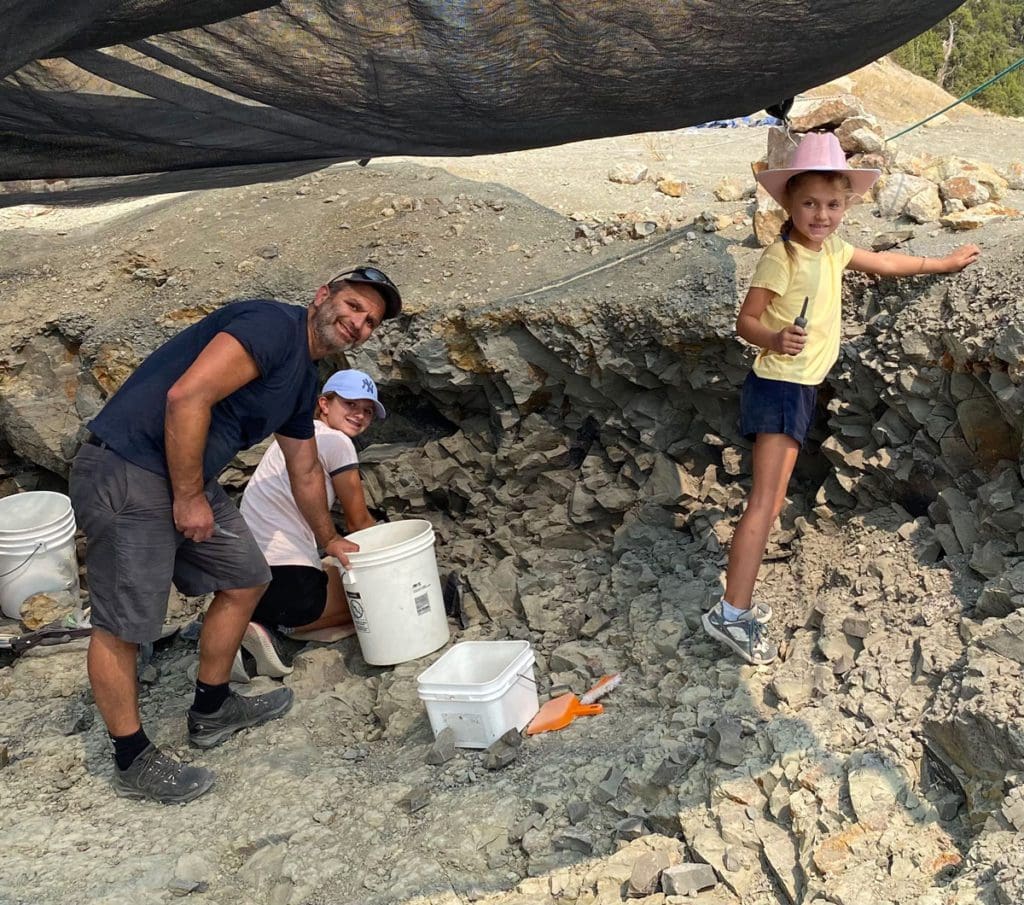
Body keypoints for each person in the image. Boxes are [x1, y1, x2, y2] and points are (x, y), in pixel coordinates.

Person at [68, 266, 402, 803]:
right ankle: (131, 759)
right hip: (128, 468)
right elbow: (186, 398)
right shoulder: (272, 327)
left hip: (183, 476)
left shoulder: (302, 382)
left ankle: (212, 707)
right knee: (125, 625)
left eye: (371, 321)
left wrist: (326, 541)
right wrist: (188, 497)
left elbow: (306, 470)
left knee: (247, 577)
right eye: (355, 306)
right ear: (323, 297)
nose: (360, 323)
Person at [701, 131, 980, 666]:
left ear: (846, 205)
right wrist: (775, 338)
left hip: (797, 388)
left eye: (832, 204)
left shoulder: (831, 250)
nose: (821, 214)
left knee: (771, 500)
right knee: (766, 502)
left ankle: (734, 608)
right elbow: (746, 322)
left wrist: (941, 264)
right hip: (780, 386)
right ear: (789, 203)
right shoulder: (780, 257)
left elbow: (882, 263)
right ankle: (730, 614)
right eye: (809, 203)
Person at [236, 369, 383, 677]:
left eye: (367, 411)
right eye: (351, 404)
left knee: (332, 563)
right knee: (378, 598)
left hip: (245, 579)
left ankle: (252, 621)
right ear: (324, 404)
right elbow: (359, 523)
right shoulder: (336, 442)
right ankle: (276, 629)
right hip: (287, 588)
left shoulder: (294, 440)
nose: (360, 415)